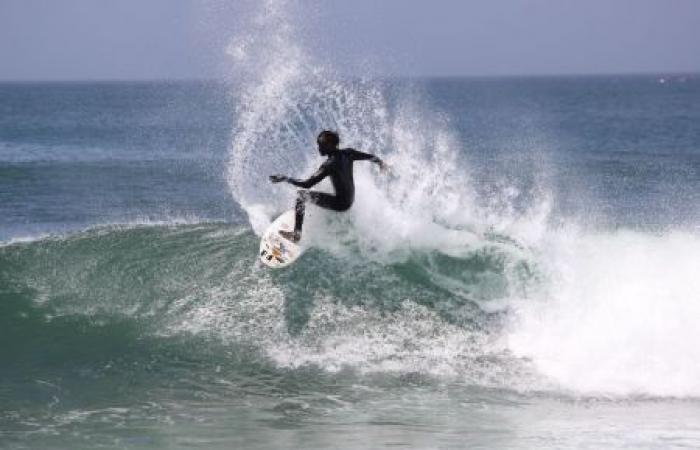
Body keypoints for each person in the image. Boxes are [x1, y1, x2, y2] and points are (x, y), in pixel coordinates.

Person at [269, 130, 386, 242]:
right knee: (311, 195)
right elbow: (371, 157)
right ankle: (300, 218)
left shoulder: (329, 165)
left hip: (341, 204)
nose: (319, 148)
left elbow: (307, 184)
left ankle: (296, 235)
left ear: (330, 145)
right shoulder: (348, 153)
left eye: (321, 145)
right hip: (350, 200)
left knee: (301, 196)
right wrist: (381, 163)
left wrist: (286, 178)